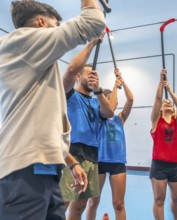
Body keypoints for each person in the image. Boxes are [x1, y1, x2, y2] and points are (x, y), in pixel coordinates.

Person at [0, 0, 105, 219]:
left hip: (44, 167)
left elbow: (41, 123)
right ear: (41, 23)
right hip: (25, 171)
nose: (58, 32)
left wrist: (71, 162)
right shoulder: (25, 41)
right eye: (56, 26)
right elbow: (93, 21)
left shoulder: (34, 64)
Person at [60, 38, 115, 219]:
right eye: (88, 74)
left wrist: (98, 90)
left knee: (80, 205)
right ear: (78, 77)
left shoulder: (94, 100)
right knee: (63, 201)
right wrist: (91, 44)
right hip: (72, 153)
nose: (92, 77)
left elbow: (108, 113)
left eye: (95, 75)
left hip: (92, 155)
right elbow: (70, 70)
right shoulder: (69, 95)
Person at [87, 69, 134, 220]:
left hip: (117, 162)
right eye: (110, 99)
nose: (115, 101)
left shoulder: (120, 118)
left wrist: (122, 81)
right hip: (99, 161)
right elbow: (111, 107)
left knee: (119, 203)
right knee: (93, 202)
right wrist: (115, 86)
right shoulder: (98, 117)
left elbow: (131, 99)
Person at [150, 69, 177, 220]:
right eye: (165, 103)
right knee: (159, 200)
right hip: (160, 165)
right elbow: (157, 100)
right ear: (161, 109)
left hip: (175, 165)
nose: (168, 103)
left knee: (176, 198)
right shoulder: (157, 122)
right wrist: (160, 81)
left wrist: (169, 89)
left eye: (169, 102)